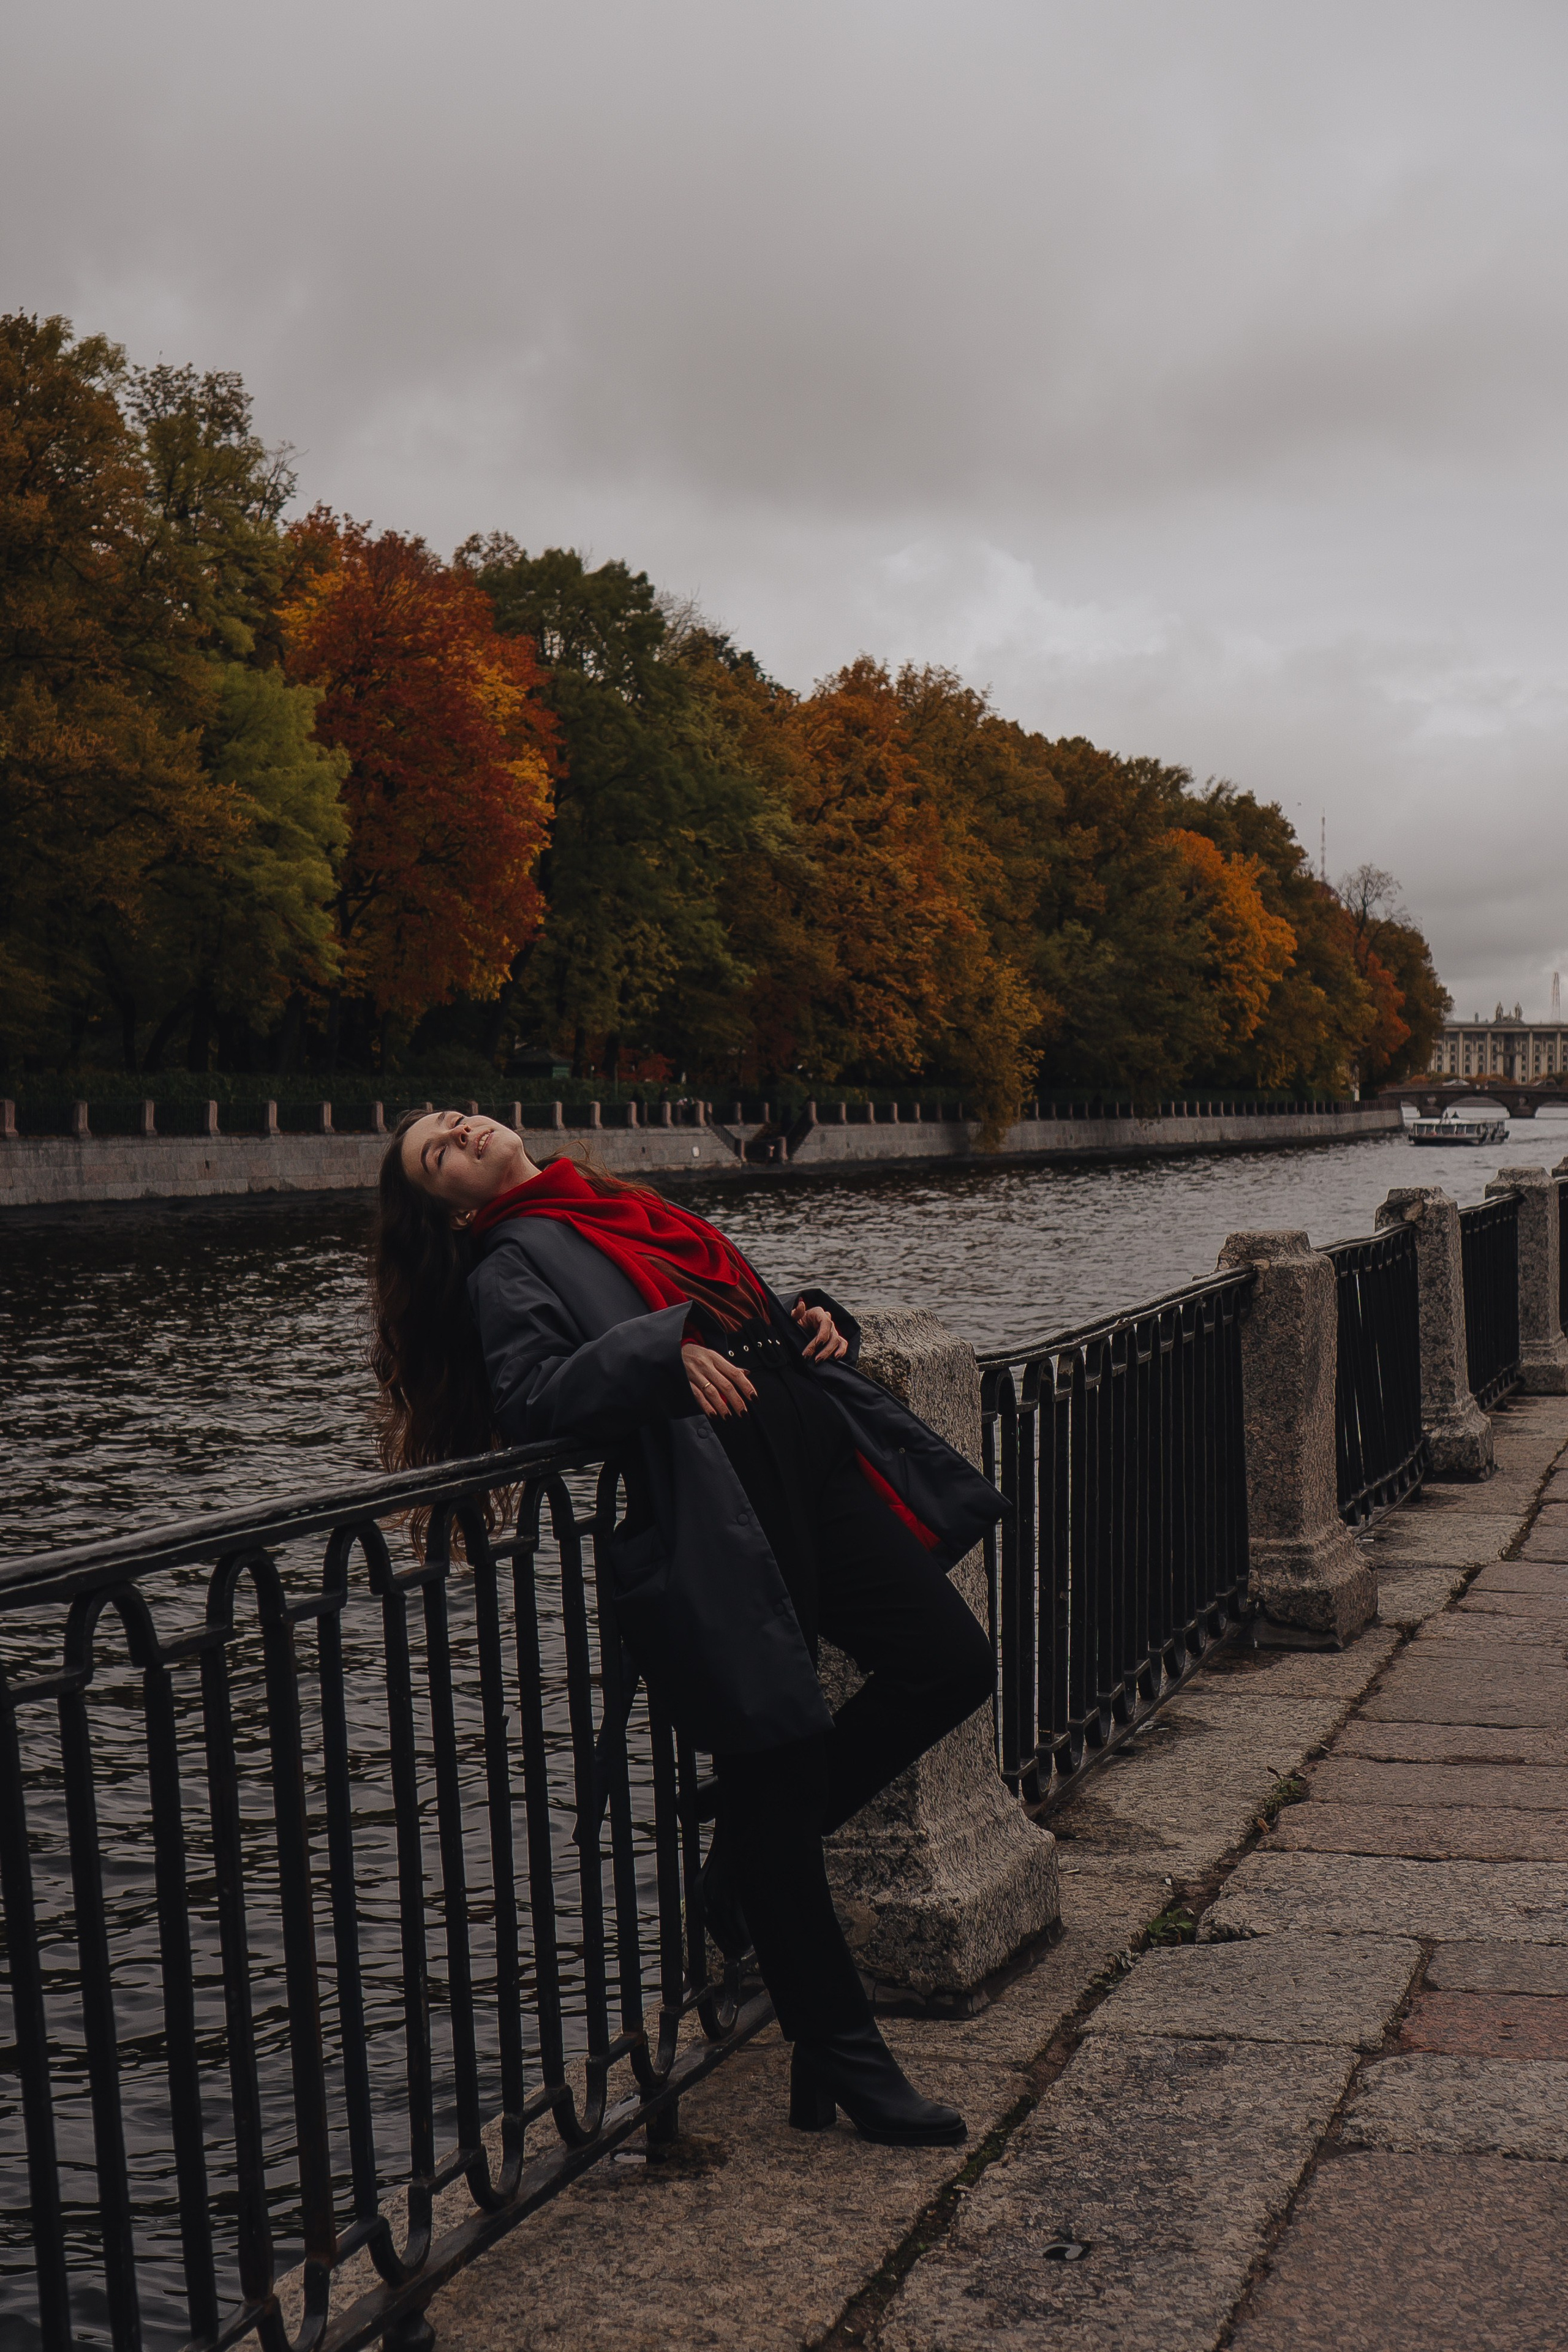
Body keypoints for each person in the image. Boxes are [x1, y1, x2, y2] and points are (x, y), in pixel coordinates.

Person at [372, 1106, 1003, 2148]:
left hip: (807, 1448)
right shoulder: (504, 1264)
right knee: (783, 1761)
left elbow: (720, 1303)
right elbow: (534, 1398)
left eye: (451, 1121)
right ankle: (846, 2057)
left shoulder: (611, 1200)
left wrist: (806, 1312)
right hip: (722, 1498)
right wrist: (655, 1358)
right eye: (437, 1155)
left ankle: (748, 1860)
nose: (458, 1135)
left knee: (947, 1662)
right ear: (450, 1210)